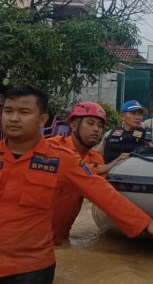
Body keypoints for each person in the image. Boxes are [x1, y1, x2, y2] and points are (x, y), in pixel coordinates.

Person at [0, 86, 153, 284]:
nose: (13, 118)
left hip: (29, 272)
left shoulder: (61, 160)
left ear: (42, 119)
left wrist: (145, 223)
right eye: (8, 111)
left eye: (24, 112)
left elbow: (101, 192)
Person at [47, 101, 130, 245]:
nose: (96, 129)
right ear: (73, 126)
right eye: (90, 123)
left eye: (99, 126)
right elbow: (75, 169)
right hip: (33, 240)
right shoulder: (53, 146)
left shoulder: (96, 158)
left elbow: (102, 193)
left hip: (61, 240)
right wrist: (111, 164)